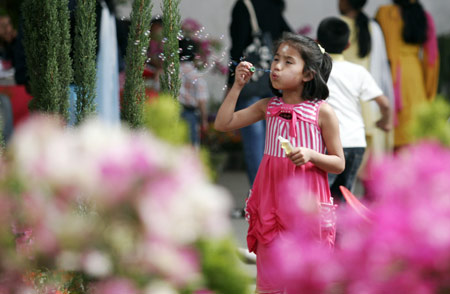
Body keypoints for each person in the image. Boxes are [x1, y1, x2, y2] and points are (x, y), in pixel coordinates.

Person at [215, 32, 345, 293]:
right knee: (270, 278)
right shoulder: (268, 107)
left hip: (306, 203)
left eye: (288, 62)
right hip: (270, 200)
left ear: (308, 74)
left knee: (306, 276)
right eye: (276, 59)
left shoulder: (322, 113)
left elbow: (338, 163)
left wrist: (311, 155)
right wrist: (237, 86)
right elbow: (223, 124)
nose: (276, 66)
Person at [317, 17, 392, 201]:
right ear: (348, 45)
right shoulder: (358, 71)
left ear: (317, 42)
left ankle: (322, 229)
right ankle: (342, 229)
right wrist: (386, 121)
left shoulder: (315, 70)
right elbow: (385, 103)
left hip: (328, 143)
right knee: (344, 195)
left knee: (321, 195)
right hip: (356, 142)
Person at [228, 0, 292, 187]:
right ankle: (277, 194)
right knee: (276, 143)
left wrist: (232, 84)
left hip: (251, 86)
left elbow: (237, 49)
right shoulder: (272, 6)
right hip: (274, 86)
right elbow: (291, 36)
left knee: (255, 145)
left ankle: (260, 194)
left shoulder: (243, 6)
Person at [376, 0, 439, 150]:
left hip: (389, 74)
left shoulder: (385, 13)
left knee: (392, 135)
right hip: (415, 77)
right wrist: (429, 94)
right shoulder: (424, 16)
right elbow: (431, 59)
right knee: (414, 131)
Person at [338, 0, 394, 161]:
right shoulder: (373, 27)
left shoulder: (338, 26)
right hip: (370, 103)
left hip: (345, 103)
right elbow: (382, 66)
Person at [178, 37, 209, 148]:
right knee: (190, 149)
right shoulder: (195, 75)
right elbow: (201, 100)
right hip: (189, 114)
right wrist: (204, 120)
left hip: (171, 112)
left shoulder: (169, 71)